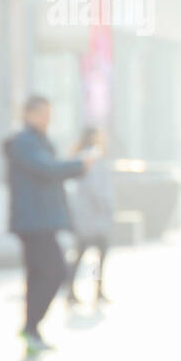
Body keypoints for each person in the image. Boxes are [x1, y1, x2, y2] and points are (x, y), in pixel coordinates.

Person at [2, 95, 93, 354]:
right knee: (55, 271)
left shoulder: (36, 140)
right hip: (33, 222)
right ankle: (31, 327)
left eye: (50, 114)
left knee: (39, 275)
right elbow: (46, 169)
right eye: (43, 114)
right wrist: (79, 165)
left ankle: (31, 330)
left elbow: (49, 169)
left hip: (40, 220)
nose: (48, 119)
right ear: (29, 114)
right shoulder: (25, 142)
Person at [65, 126, 113, 306]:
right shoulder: (92, 156)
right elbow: (95, 187)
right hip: (94, 215)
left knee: (82, 254)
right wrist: (106, 205)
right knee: (97, 255)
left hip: (85, 215)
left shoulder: (81, 156)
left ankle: (75, 290)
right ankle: (95, 290)